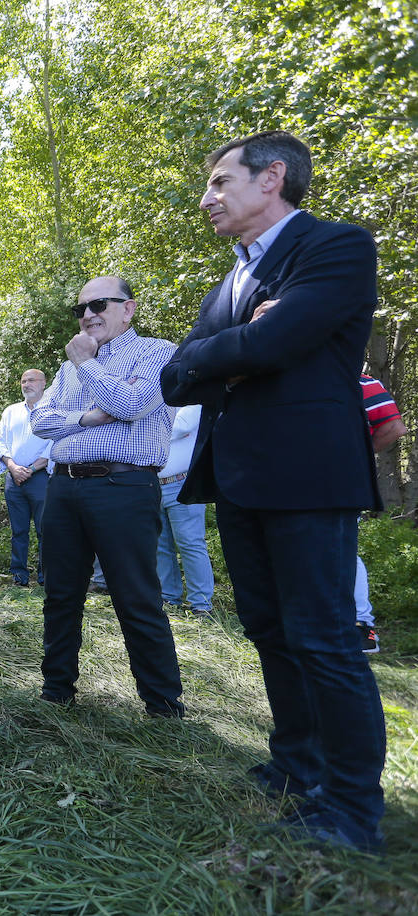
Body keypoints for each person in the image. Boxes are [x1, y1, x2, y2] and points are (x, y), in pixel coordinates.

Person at [161, 130, 385, 852]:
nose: (207, 198)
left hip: (309, 477)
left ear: (273, 179)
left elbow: (273, 346)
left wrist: (226, 353)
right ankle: (296, 765)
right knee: (268, 631)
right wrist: (233, 347)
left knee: (324, 639)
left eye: (221, 181)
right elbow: (172, 378)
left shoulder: (335, 247)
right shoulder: (227, 283)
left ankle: (352, 807)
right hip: (239, 480)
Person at [31, 275, 184, 719]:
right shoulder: (67, 366)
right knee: (60, 594)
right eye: (79, 309)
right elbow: (41, 421)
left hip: (124, 487)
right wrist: (91, 417)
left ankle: (162, 705)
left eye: (99, 304)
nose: (87, 315)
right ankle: (57, 689)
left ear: (128, 309)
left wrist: (87, 367)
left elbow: (134, 405)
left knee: (135, 594)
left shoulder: (157, 352)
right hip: (63, 487)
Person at [355, 374, 406, 654]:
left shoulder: (362, 382)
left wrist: (354, 454)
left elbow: (394, 428)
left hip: (342, 482)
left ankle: (362, 625)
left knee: (343, 549)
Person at [0, 369, 51, 586]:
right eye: (23, 381)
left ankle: (46, 577)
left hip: (40, 478)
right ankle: (19, 576)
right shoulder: (11, 411)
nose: (26, 384)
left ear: (43, 383)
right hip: (14, 478)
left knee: (44, 529)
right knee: (18, 531)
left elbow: (53, 444)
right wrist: (13, 467)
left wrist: (31, 469)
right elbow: (1, 442)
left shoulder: (51, 410)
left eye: (31, 380)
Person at [157, 405, 213, 618]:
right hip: (154, 484)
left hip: (182, 484)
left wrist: (146, 430)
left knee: (190, 543)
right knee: (160, 546)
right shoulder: (156, 403)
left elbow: (178, 428)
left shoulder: (192, 403)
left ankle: (201, 604)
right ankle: (169, 597)